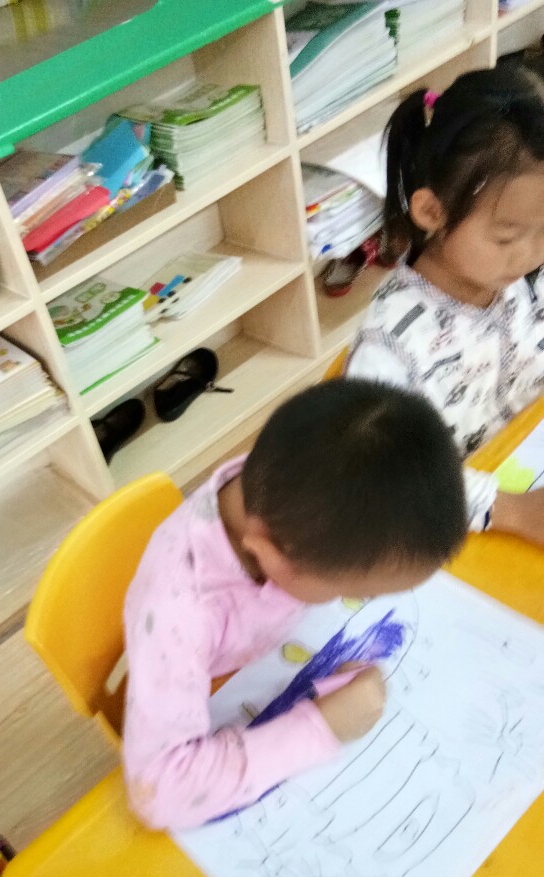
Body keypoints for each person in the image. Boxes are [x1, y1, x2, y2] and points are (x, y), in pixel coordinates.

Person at [122, 380, 467, 830]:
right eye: (351, 592)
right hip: (193, 689)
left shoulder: (290, 485)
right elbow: (159, 791)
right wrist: (320, 727)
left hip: (250, 660)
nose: (355, 602)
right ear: (268, 554)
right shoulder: (182, 612)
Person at [346, 65, 544, 543]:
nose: (530, 254)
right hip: (448, 526)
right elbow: (384, 478)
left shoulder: (516, 278)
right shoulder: (390, 348)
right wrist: (512, 512)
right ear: (431, 211)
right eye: (506, 237)